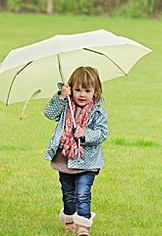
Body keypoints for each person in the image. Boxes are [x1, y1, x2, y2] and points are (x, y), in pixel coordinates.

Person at [43, 67, 110, 236]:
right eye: (78, 90)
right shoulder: (66, 106)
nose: (82, 95)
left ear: (95, 92)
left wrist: (86, 133)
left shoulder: (98, 112)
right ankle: (69, 220)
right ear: (71, 89)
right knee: (68, 193)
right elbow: (49, 113)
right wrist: (60, 96)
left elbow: (102, 133)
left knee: (82, 193)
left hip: (87, 161)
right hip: (65, 159)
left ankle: (83, 226)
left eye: (87, 91)